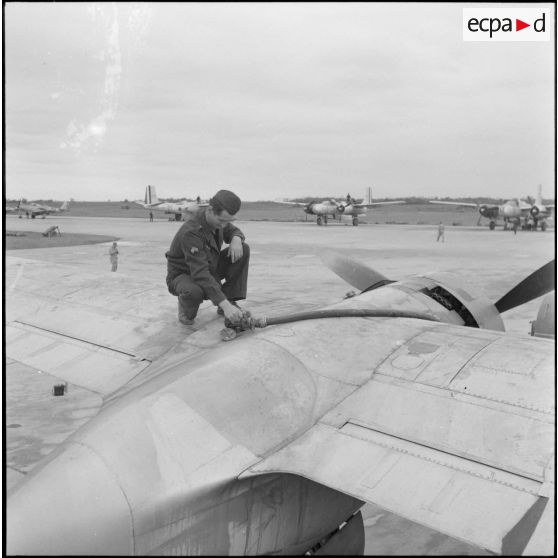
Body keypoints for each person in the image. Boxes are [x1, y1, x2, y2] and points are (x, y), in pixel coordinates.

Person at [165, 189, 249, 326]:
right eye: (221, 221)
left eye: (227, 222)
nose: (223, 226)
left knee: (243, 250)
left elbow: (233, 230)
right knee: (193, 292)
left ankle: (230, 299)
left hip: (209, 266)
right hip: (184, 274)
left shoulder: (219, 220)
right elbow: (200, 273)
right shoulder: (191, 232)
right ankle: (186, 308)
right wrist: (225, 305)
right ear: (210, 210)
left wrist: (236, 239)